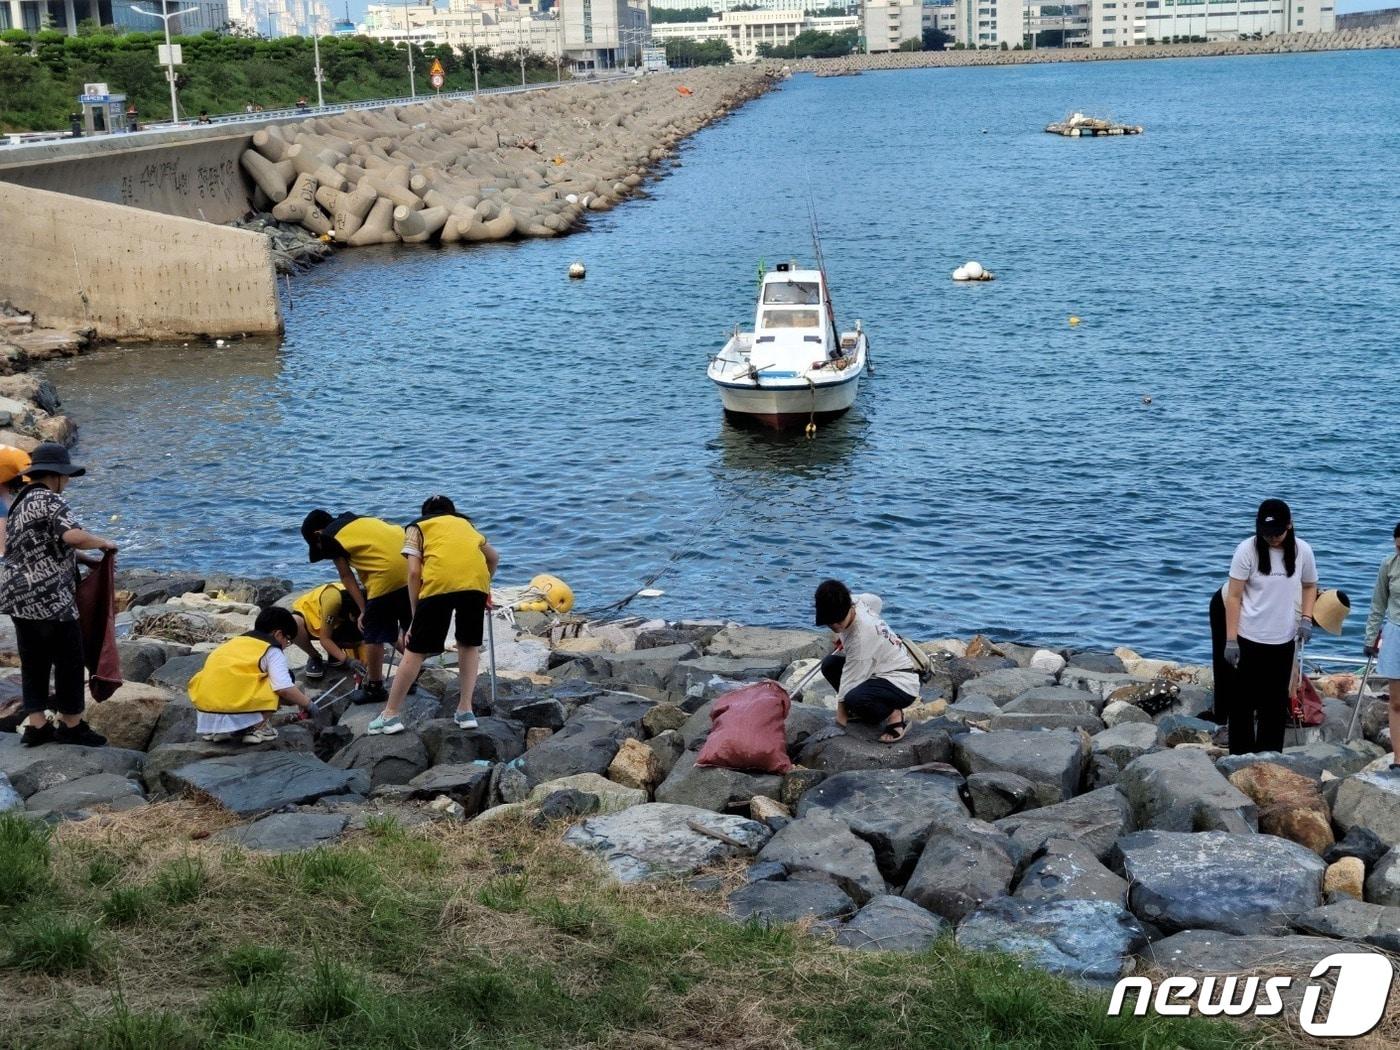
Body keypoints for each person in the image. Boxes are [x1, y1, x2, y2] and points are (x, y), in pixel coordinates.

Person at [0, 443, 117, 748]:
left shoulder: (18, 503)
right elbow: (72, 537)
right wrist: (103, 543)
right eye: (65, 478)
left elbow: (33, 548)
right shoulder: (51, 500)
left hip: (17, 595)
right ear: (57, 476)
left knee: (33, 660)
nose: (66, 484)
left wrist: (78, 560)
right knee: (69, 659)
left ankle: (37, 725)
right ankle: (71, 724)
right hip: (50, 599)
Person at [368, 496, 498, 735]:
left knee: (415, 650)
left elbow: (414, 572)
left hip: (438, 587)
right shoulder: (466, 525)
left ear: (425, 512)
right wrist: (485, 589)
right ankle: (465, 710)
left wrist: (414, 616)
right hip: (475, 586)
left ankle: (391, 714)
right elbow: (493, 557)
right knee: (468, 645)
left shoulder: (417, 527)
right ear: (452, 512)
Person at [1222, 499, 1317, 755]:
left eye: (1277, 534)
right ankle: (1239, 758)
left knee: (1274, 705)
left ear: (1289, 525)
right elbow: (1233, 596)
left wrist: (1306, 619)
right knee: (1242, 704)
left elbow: (1310, 586)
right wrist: (1231, 640)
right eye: (1267, 534)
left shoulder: (1302, 551)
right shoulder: (1246, 550)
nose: (1273, 539)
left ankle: (1270, 759)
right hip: (1248, 637)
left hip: (1283, 640)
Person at [301, 509, 411, 704]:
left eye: (317, 545)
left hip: (384, 576)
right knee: (406, 629)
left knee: (373, 633)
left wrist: (364, 609)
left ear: (317, 533)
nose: (321, 549)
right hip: (412, 568)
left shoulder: (329, 536)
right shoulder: (361, 521)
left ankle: (375, 688)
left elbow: (346, 576)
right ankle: (412, 676)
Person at [813, 579, 918, 743]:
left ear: (848, 608)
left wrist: (839, 724)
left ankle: (894, 714)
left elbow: (849, 680)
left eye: (839, 622)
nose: (835, 626)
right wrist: (842, 635)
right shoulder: (857, 600)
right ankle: (862, 712)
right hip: (876, 669)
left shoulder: (861, 638)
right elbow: (877, 602)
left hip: (900, 681)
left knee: (854, 698)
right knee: (829, 664)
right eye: (830, 624)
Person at [187, 607, 312, 743]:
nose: (286, 646)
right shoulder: (271, 650)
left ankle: (220, 731)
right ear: (278, 634)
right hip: (235, 708)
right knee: (281, 679)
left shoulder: (233, 643)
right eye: (287, 641)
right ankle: (257, 728)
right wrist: (309, 704)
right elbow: (284, 688)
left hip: (207, 711)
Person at [1365, 521, 1400, 767]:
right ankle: (1399, 759)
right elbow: (1378, 604)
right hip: (1395, 633)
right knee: (1397, 701)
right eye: (1398, 547)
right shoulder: (1389, 564)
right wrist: (1370, 638)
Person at [289, 582, 365, 679]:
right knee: (294, 623)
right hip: (313, 616)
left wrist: (364, 664)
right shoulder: (333, 602)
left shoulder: (363, 604)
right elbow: (324, 639)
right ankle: (314, 656)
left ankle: (334, 654)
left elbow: (363, 640)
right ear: (351, 615)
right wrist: (348, 661)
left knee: (356, 641)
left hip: (337, 619)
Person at [0, 445, 32, 558]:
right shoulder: (24, 460)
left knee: (6, 506)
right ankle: (2, 551)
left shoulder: (16, 455)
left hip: (2, 484)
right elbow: (32, 486)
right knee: (3, 512)